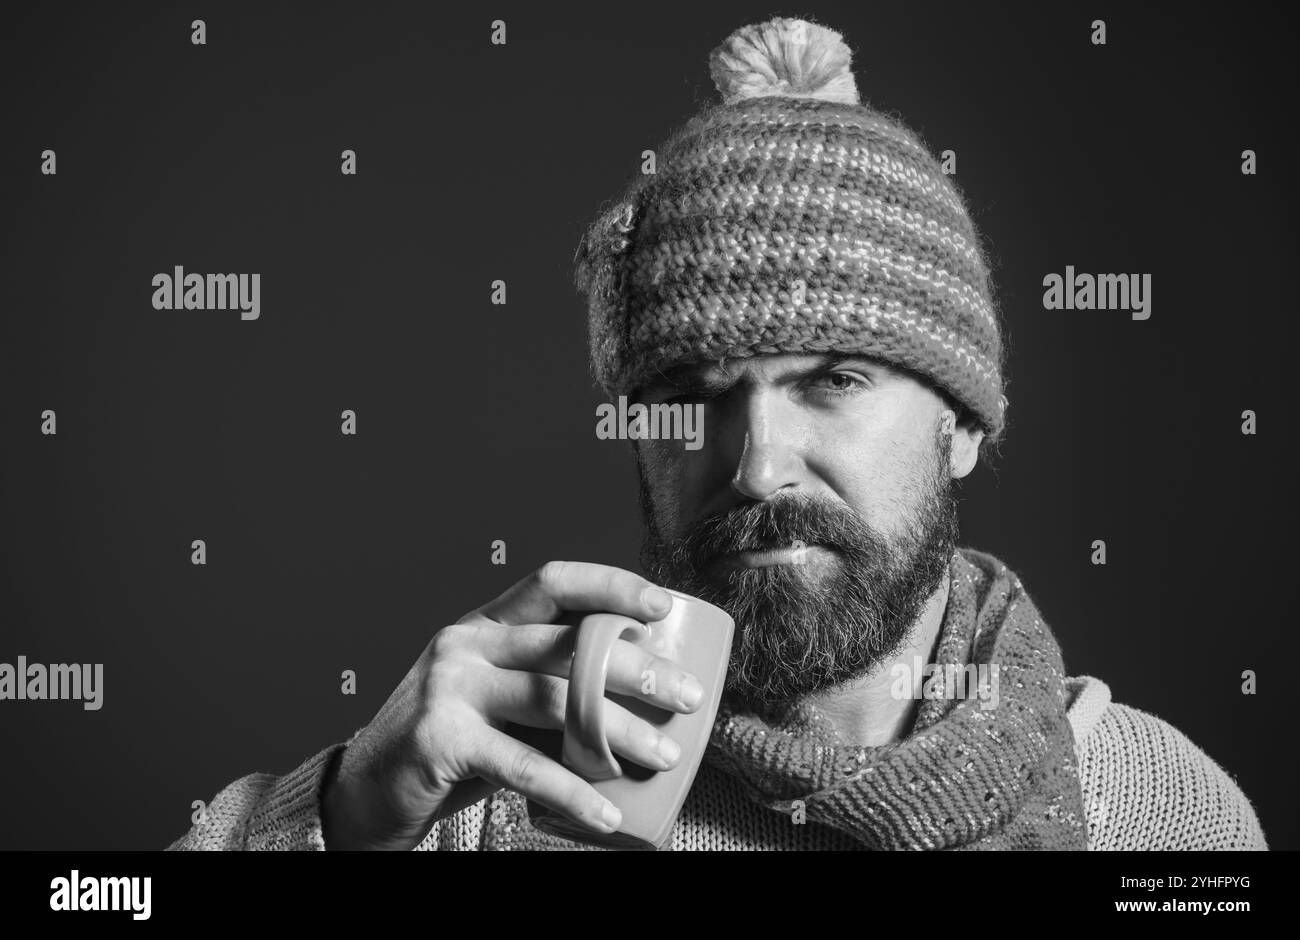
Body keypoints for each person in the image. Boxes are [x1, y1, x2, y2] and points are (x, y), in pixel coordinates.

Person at [169, 16, 1266, 851]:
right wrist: (347, 813)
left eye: (835, 378)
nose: (757, 463)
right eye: (693, 397)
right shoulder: (495, 798)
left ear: (963, 424)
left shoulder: (1156, 817)